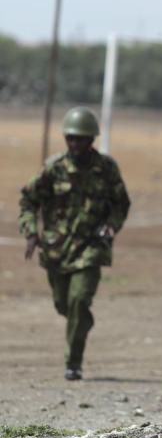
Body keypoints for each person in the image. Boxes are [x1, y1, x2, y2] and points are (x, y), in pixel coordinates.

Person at [18, 106, 131, 381]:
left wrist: (110, 226)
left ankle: (74, 363)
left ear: (91, 139)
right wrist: (31, 233)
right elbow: (28, 201)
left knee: (79, 300)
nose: (74, 143)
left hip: (91, 248)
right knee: (64, 305)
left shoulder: (106, 169)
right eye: (70, 138)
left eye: (80, 138)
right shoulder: (53, 169)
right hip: (57, 250)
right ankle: (82, 322)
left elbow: (121, 203)